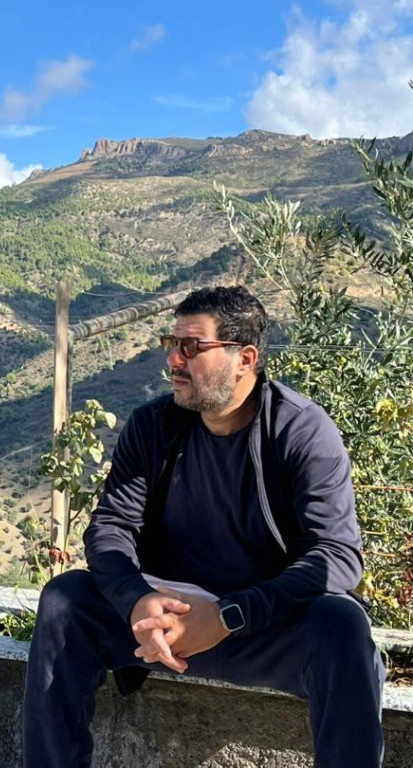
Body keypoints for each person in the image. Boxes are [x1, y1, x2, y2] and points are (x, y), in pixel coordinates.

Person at [23, 285, 385, 768]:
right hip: (164, 625)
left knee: (340, 624)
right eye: (171, 344)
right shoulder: (153, 426)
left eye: (192, 347)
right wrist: (136, 599)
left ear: (245, 359)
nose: (174, 360)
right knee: (66, 599)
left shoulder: (301, 430)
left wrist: (227, 615)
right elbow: (111, 526)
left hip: (261, 627)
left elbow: (337, 557)